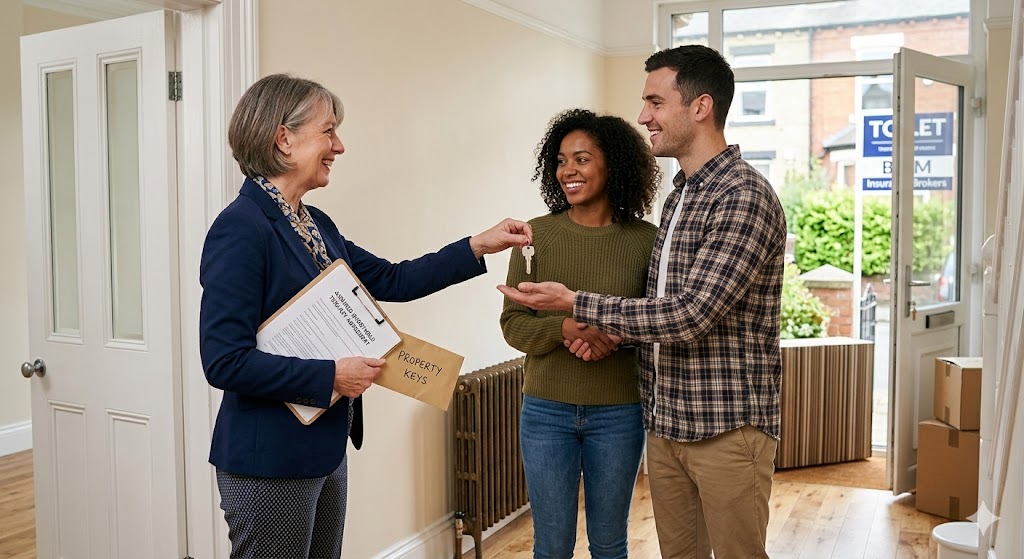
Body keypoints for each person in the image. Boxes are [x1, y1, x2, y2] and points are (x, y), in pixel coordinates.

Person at [199, 73, 532, 559]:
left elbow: (395, 279)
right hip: (268, 458)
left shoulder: (314, 224)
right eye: (328, 132)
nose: (339, 146)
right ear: (283, 139)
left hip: (325, 448)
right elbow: (224, 361)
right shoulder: (241, 229)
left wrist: (479, 244)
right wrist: (332, 374)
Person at [497, 45, 787, 559]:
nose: (642, 116)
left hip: (723, 424)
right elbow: (653, 309)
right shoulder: (681, 197)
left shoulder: (742, 195)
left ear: (699, 107)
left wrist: (576, 306)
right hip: (668, 422)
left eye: (655, 102)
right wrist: (581, 332)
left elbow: (689, 314)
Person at [500, 108, 659, 558]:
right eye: (562, 160)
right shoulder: (536, 237)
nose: (568, 170)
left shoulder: (646, 240)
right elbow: (513, 324)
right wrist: (566, 327)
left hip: (619, 412)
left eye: (582, 159)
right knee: (552, 546)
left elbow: (659, 319)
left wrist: (614, 336)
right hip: (545, 411)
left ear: (614, 165)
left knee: (610, 544)